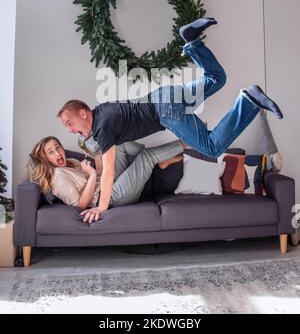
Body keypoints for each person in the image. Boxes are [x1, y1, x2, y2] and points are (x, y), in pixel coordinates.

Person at [57, 17, 283, 222]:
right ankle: (192, 41)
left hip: (166, 111)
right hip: (164, 95)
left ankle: (249, 102)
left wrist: (102, 207)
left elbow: (108, 172)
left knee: (212, 148)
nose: (69, 129)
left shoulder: (102, 127)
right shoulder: (103, 111)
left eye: (69, 123)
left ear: (84, 113)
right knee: (216, 78)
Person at [26, 136, 185, 223]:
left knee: (117, 144)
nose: (58, 153)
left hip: (108, 185)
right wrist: (92, 175)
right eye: (51, 152)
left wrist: (97, 156)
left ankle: (160, 158)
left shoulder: (71, 163)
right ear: (45, 158)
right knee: (147, 156)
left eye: (58, 147)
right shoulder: (57, 177)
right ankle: (186, 143)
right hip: (111, 198)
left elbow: (102, 174)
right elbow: (80, 205)